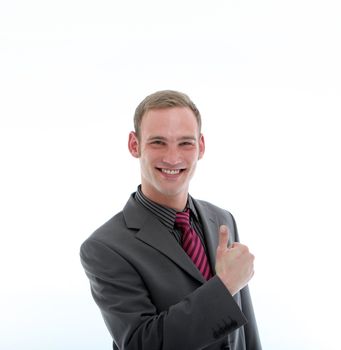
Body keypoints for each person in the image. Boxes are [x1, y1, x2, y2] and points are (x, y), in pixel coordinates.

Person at [80, 90, 261, 350]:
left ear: (201, 146)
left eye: (185, 143)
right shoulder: (104, 247)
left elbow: (247, 333)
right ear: (134, 145)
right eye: (158, 142)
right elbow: (142, 344)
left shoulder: (222, 220)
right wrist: (225, 286)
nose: (173, 158)